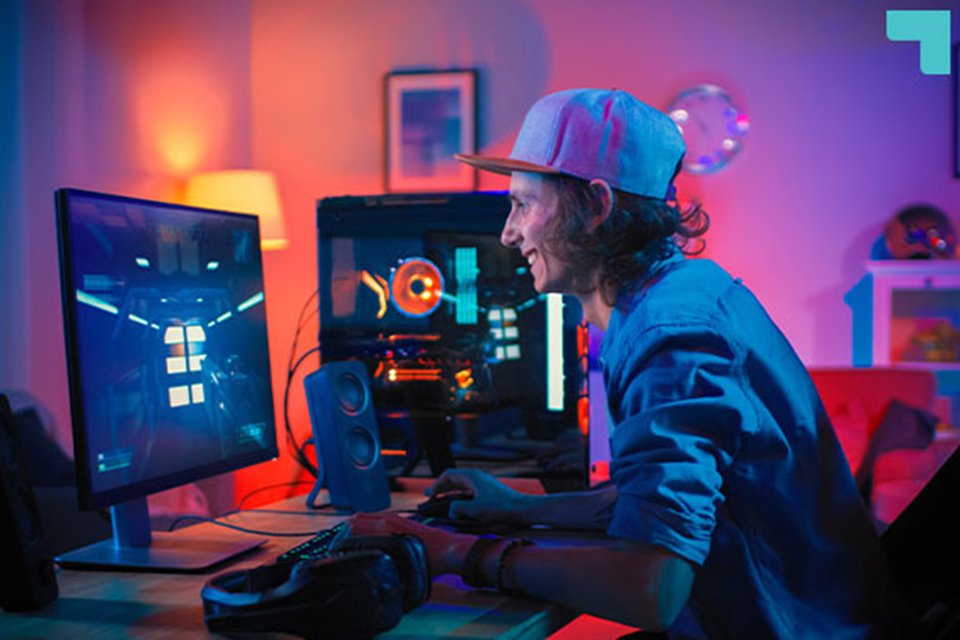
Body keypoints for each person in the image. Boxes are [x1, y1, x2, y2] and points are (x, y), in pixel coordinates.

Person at [348, 88, 912, 637]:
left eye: (522, 204)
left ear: (595, 206)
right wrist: (515, 507)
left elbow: (652, 588)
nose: (508, 232)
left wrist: (453, 552)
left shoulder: (674, 337)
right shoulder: (675, 298)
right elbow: (660, 502)